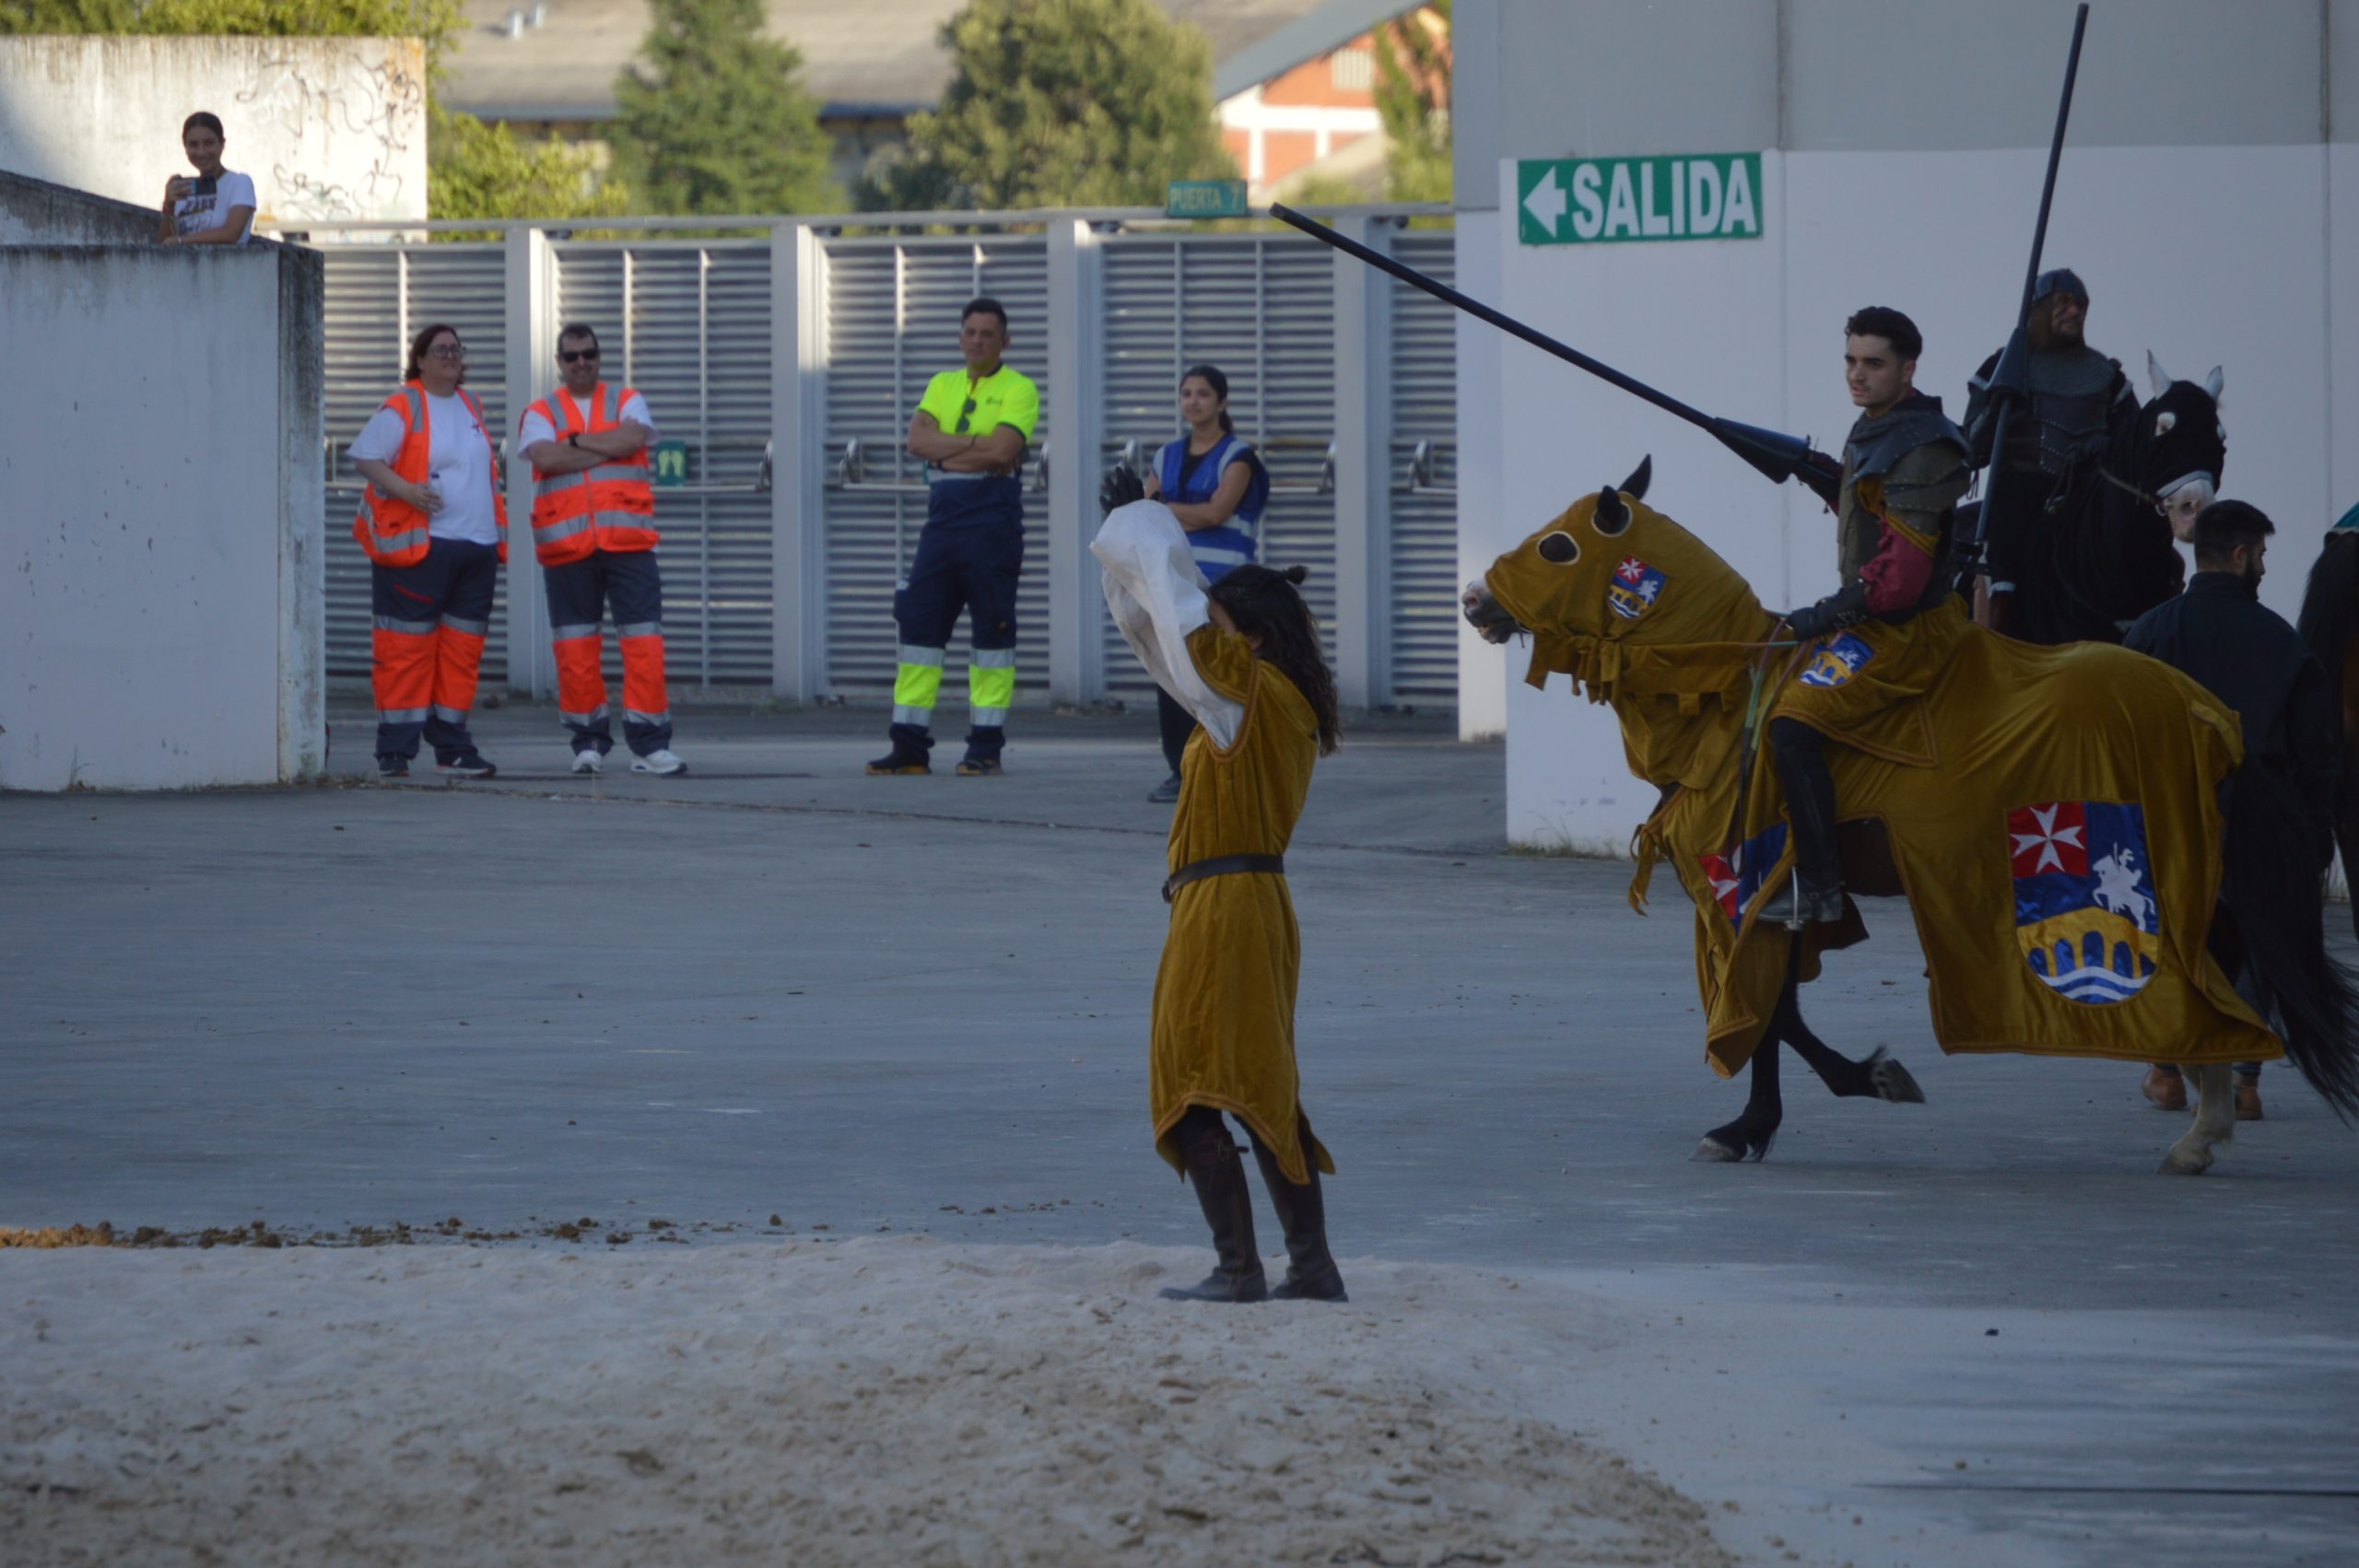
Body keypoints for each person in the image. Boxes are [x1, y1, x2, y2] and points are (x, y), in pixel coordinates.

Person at [1092, 489, 1346, 1304]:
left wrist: (1144, 524)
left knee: (1195, 1082)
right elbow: (1162, 634)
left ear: (1253, 640)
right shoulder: (1263, 703)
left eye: (1222, 625)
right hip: (1244, 903)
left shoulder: (1253, 692)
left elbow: (1178, 610)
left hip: (1227, 905)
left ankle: (1241, 1270)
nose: (1204, 636)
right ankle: (1311, 1267)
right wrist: (1127, 563)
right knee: (1257, 1079)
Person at [2125, 500, 2340, 1121]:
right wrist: (2316, 841)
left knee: (2179, 942)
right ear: (2242, 555)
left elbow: (2125, 735)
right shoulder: (2284, 644)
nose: (2266, 567)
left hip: (2171, 822)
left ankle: (2167, 1072)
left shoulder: (2150, 632)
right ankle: (2245, 1086)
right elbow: (2315, 756)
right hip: (2260, 822)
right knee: (2255, 943)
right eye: (2264, 555)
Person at [1768, 307, 1972, 921]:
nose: (1857, 375)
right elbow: (1871, 510)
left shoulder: (1922, 446)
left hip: (1905, 633)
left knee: (1790, 724)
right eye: (1851, 361)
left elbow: (1899, 583)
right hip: (1883, 622)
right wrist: (1820, 476)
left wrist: (1824, 614)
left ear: (1908, 369)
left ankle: (1823, 890)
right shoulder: (1879, 426)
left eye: (1873, 363)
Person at [868, 298, 1040, 777]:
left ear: (1004, 341)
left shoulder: (1019, 388)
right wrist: (973, 447)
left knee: (992, 637)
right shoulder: (941, 384)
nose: (977, 340)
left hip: (992, 526)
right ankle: (908, 746)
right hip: (941, 525)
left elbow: (1005, 449)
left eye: (988, 333)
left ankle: (984, 747)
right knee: (919, 631)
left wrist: (947, 453)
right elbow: (917, 443)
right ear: (960, 337)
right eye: (970, 332)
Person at [515, 323, 686, 777]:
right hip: (567, 547)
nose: (581, 363)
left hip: (629, 544)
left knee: (644, 644)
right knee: (575, 651)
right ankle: (587, 741)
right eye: (571, 356)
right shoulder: (540, 410)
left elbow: (633, 440)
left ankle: (650, 745)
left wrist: (571, 442)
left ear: (599, 355)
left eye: (588, 353)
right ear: (559, 362)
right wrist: (601, 448)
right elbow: (545, 459)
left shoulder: (627, 400)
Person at [348, 324, 508, 779]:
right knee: (405, 652)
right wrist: (408, 492)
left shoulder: (470, 402)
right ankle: (395, 753)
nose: (451, 357)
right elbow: (365, 456)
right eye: (440, 350)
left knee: (460, 654)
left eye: (457, 349)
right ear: (419, 359)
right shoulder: (405, 404)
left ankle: (453, 748)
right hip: (421, 547)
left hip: (476, 547)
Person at [1961, 269, 2140, 640]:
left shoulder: (2107, 377)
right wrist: (1997, 405)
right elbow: (1972, 450)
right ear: (2039, 309)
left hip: (2084, 499)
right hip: (2019, 493)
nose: (2074, 312)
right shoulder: (2003, 366)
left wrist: (2102, 448)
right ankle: (1997, 629)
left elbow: (2134, 449)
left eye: (2080, 305)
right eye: (2063, 304)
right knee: (2005, 555)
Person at [1139, 364, 1272, 803]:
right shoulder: (1164, 455)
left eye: (1203, 394)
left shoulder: (1239, 456)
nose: (1193, 401)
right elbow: (1148, 513)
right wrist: (1172, 509)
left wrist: (1164, 507)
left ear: (1222, 402)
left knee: (1219, 674)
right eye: (1186, 394)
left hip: (1224, 584)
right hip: (1174, 581)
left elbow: (1218, 512)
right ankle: (1180, 769)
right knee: (1174, 674)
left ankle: (1229, 761)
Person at [156, 111, 255, 248]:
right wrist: (168, 206)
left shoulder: (239, 183)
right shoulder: (184, 189)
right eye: (193, 145)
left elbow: (231, 234)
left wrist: (181, 241)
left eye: (208, 143)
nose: (201, 152)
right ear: (185, 147)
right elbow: (164, 245)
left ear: (222, 144)